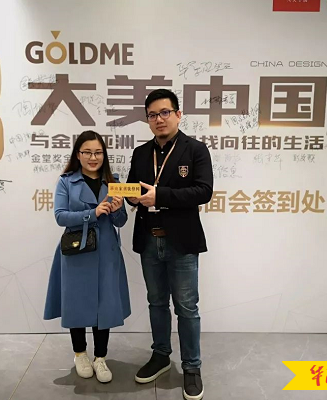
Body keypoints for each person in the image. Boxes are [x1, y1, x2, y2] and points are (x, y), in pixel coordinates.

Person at [127, 89, 213, 400]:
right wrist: (129, 197)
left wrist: (159, 196)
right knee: (156, 302)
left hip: (182, 243)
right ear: (147, 120)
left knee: (187, 308)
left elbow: (203, 191)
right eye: (152, 115)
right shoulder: (141, 153)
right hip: (149, 240)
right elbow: (131, 187)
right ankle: (161, 355)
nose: (159, 119)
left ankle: (191, 367)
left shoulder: (195, 150)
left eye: (165, 112)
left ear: (178, 114)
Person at [44, 130, 130, 383]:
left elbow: (121, 221)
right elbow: (60, 216)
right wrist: (92, 214)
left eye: (98, 152)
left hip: (106, 252)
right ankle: (80, 354)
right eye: (87, 152)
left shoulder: (114, 182)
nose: (93, 158)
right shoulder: (66, 182)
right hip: (77, 252)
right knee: (76, 302)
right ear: (78, 154)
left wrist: (116, 210)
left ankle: (100, 357)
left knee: (106, 303)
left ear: (104, 155)